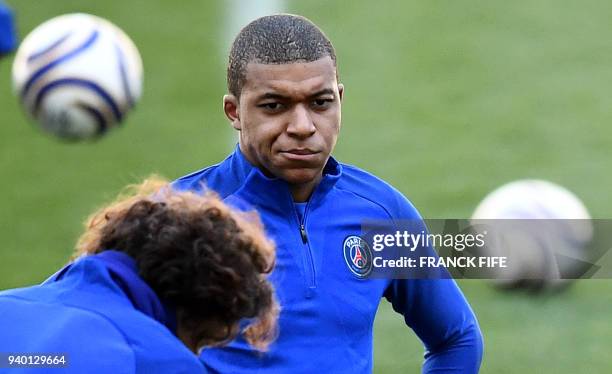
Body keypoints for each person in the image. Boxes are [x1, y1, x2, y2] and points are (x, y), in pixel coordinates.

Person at [174, 14, 483, 373]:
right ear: (234, 111)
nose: (303, 127)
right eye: (274, 106)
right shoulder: (179, 217)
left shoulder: (380, 213)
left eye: (320, 103)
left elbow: (457, 338)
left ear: (339, 99)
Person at [0, 177, 278, 373]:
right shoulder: (161, 360)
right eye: (200, 341)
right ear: (194, 308)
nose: (194, 354)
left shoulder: (7, 307)